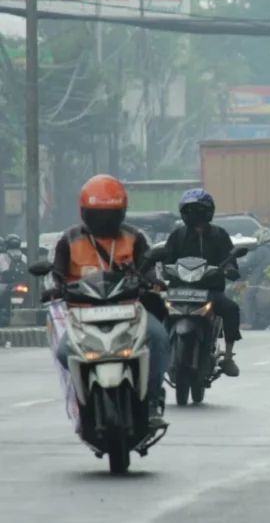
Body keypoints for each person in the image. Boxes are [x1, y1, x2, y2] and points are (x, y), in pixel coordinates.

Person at [48, 175, 170, 427]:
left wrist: (151, 281)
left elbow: (147, 268)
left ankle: (152, 400)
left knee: (158, 338)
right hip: (83, 317)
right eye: (97, 214)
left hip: (130, 312)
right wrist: (55, 288)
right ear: (84, 213)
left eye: (110, 214)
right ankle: (81, 401)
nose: (104, 221)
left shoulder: (135, 237)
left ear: (122, 212)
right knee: (63, 352)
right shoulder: (68, 240)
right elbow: (56, 274)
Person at [160, 188, 243, 377]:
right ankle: (157, 349)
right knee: (156, 309)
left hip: (210, 291)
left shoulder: (219, 235)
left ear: (208, 211)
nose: (195, 214)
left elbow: (229, 257)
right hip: (179, 291)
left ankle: (228, 357)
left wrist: (230, 269)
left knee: (231, 309)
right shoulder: (177, 236)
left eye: (199, 210)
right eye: (190, 210)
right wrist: (162, 270)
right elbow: (166, 259)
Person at [238, 228, 270, 328]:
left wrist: (238, 267)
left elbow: (249, 263)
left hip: (258, 279)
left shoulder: (261, 250)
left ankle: (248, 322)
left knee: (247, 296)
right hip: (268, 280)